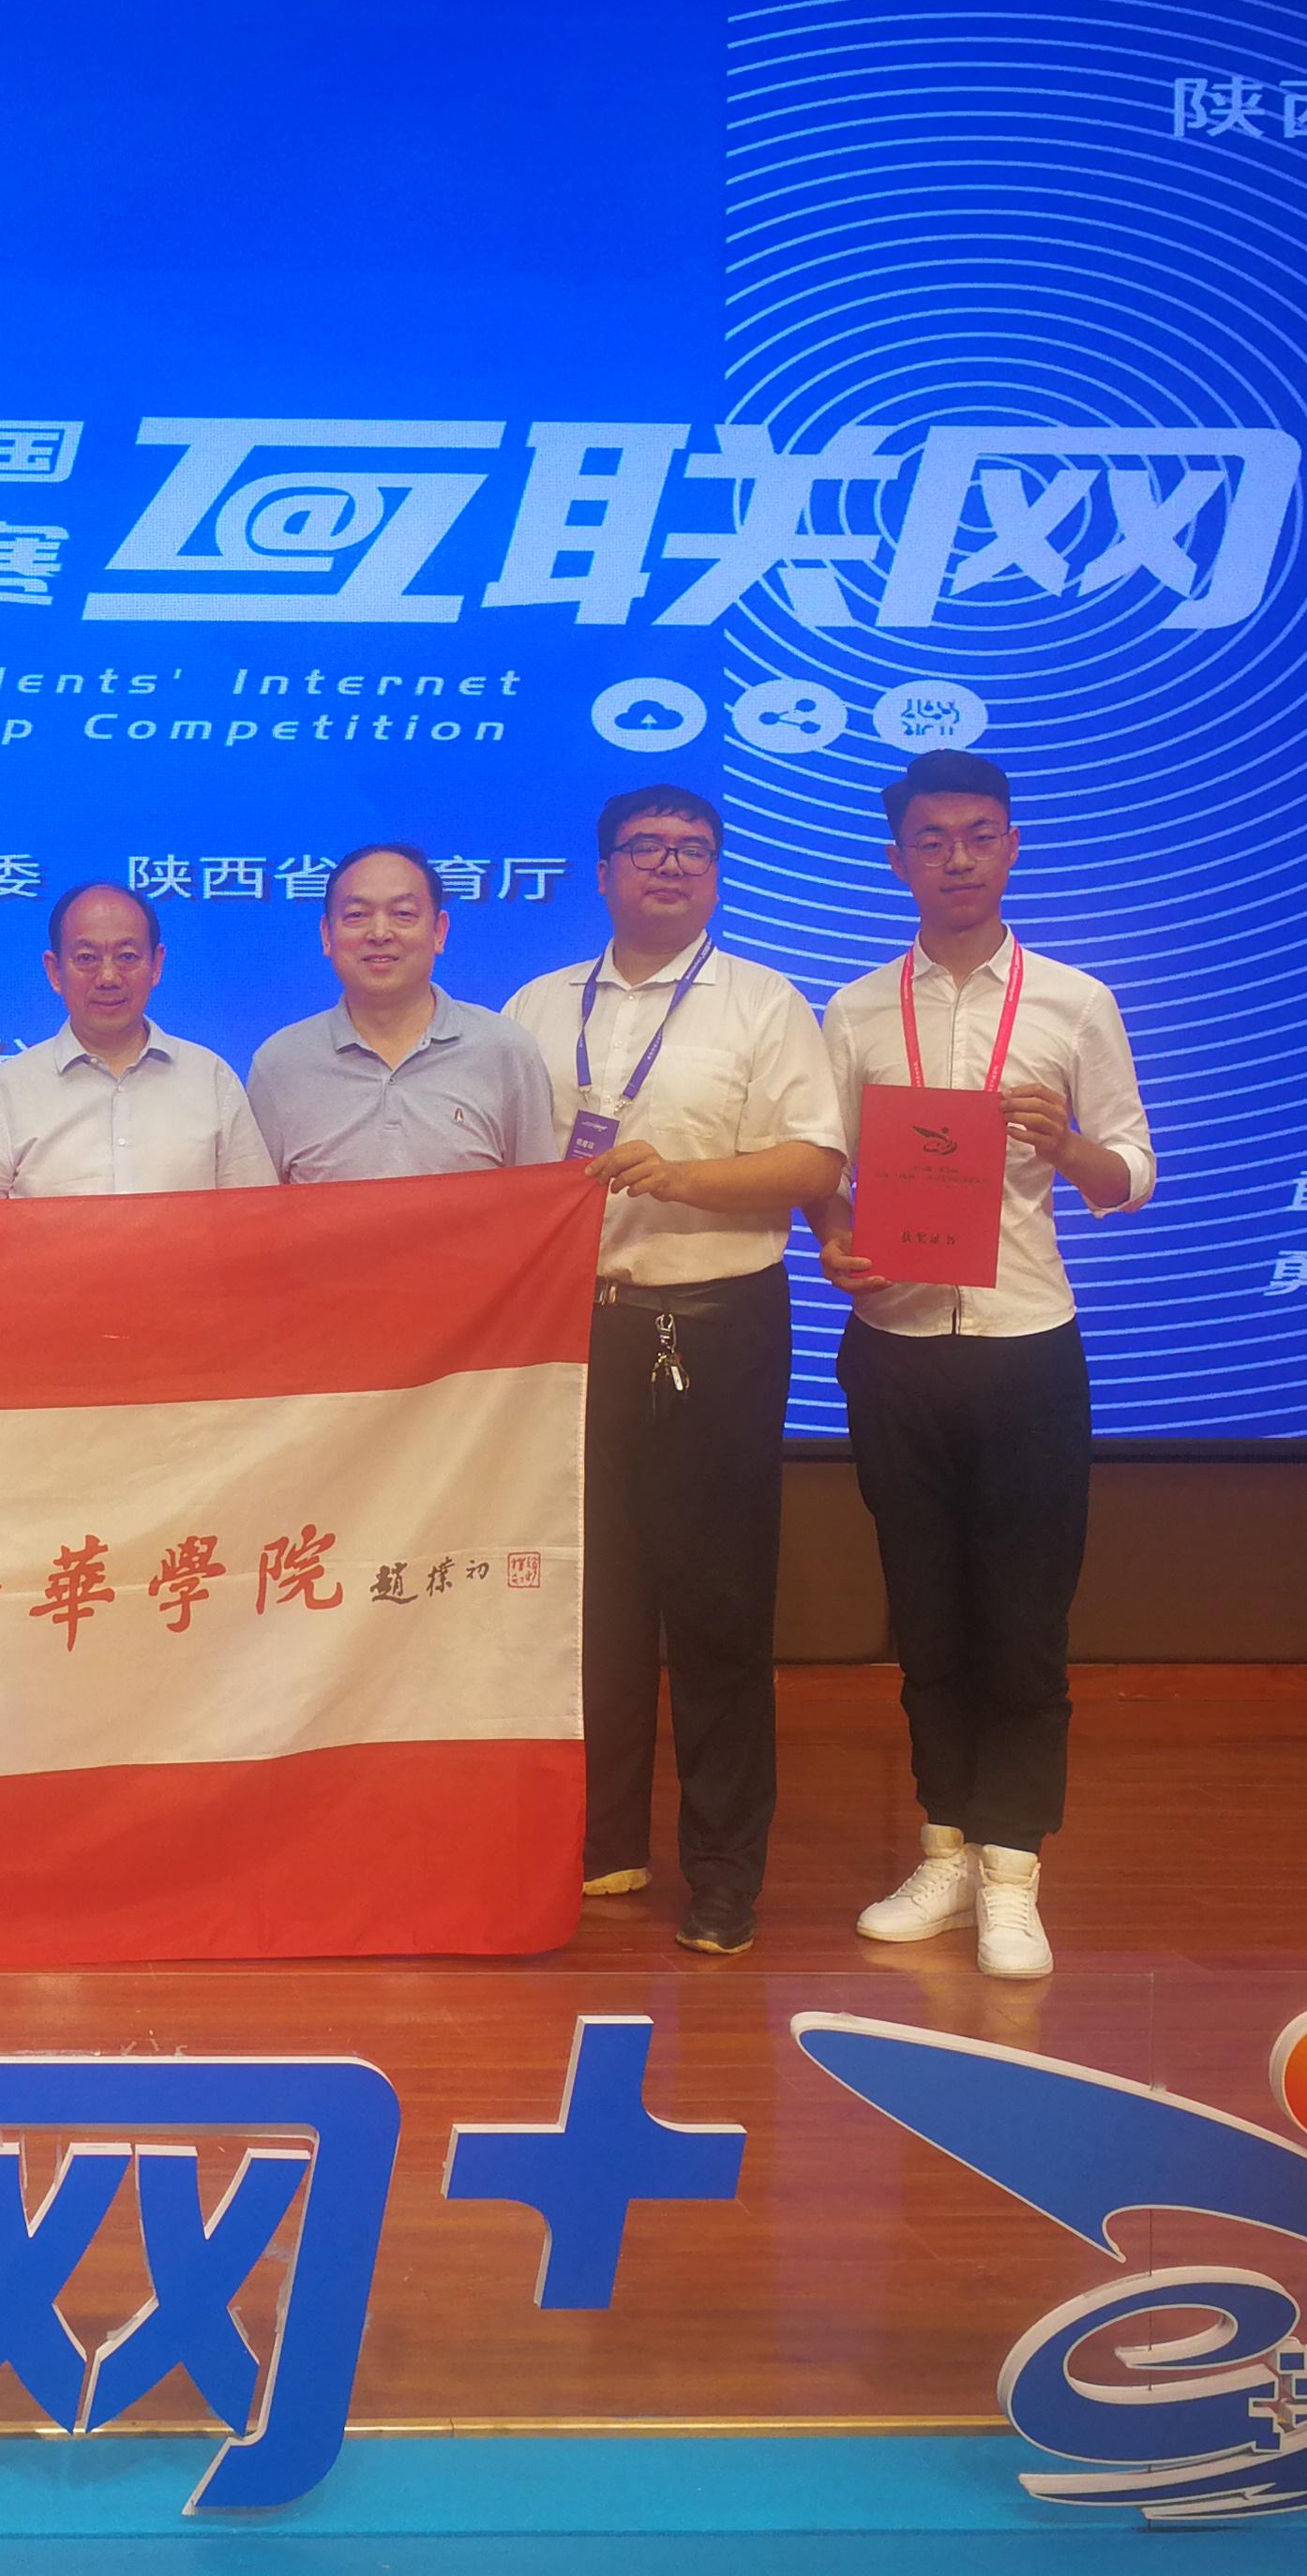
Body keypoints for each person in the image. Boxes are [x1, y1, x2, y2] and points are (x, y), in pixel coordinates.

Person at [809, 751, 1155, 1982]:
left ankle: (1013, 1871)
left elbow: (1131, 1173)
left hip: (1025, 1346)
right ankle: (945, 1849)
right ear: (896, 858)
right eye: (931, 839)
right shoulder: (855, 1010)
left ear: (1010, 847)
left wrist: (1065, 1145)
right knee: (929, 1624)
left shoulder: (1073, 1001)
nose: (955, 857)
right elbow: (825, 1173)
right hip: (895, 1351)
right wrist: (833, 1241)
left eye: (978, 834)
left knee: (1023, 1627)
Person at [500, 788, 844, 1959]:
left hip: (715, 1325)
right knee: (586, 1605)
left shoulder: (761, 1001)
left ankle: (723, 1872)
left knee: (716, 1611)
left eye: (692, 849)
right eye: (644, 848)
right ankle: (600, 1843)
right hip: (570, 1332)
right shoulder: (537, 1008)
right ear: (602, 872)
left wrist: (679, 1178)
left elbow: (813, 1161)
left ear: (715, 871)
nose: (669, 865)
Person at [244, 842, 552, 1181]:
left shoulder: (507, 1052)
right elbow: (256, 1206)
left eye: (403, 914)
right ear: (327, 935)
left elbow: (541, 1197)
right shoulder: (279, 1065)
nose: (379, 933)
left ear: (439, 932)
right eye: (356, 915)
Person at [0, 882, 274, 1198]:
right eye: (87, 958)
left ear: (156, 965)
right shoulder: (4, 1093)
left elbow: (256, 1215)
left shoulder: (211, 1080)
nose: (108, 977)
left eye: (127, 956)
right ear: (54, 971)